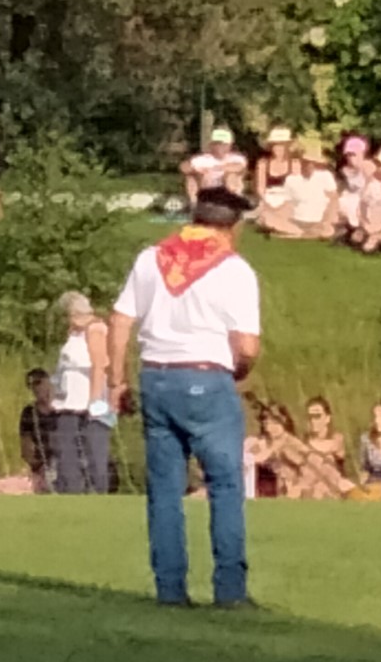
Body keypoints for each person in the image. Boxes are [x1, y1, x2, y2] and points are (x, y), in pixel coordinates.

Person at [107, 185, 262, 609]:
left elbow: (120, 320)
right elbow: (246, 346)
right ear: (233, 226)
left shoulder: (150, 258)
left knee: (164, 491)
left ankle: (170, 589)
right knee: (225, 485)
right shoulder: (234, 270)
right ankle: (230, 590)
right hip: (208, 379)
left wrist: (116, 381)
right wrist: (239, 372)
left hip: (156, 376)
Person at [50, 292, 113, 495]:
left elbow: (99, 365)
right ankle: (70, 490)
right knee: (66, 450)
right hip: (68, 401)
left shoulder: (95, 330)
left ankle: (97, 491)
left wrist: (94, 401)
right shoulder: (74, 334)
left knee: (94, 449)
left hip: (89, 400)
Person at [248, 405, 353, 500]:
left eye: (276, 423)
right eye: (267, 423)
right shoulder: (262, 442)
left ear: (284, 422)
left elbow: (313, 462)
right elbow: (251, 455)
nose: (272, 428)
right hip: (270, 488)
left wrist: (337, 480)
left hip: (294, 487)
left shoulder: (290, 442)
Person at [256, 142, 341, 240]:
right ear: (302, 161)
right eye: (306, 162)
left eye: (312, 163)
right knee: (266, 217)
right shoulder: (292, 179)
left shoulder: (325, 176)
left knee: (329, 228)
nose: (309, 165)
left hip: (319, 220)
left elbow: (334, 199)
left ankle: (302, 233)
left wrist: (327, 219)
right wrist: (272, 211)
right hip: (296, 219)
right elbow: (287, 203)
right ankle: (302, 233)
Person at [182, 128, 249, 202]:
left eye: (224, 144)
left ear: (230, 145)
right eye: (217, 144)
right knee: (191, 178)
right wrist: (197, 170)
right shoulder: (202, 159)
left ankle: (233, 202)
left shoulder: (236, 158)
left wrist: (217, 168)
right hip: (206, 187)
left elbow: (239, 167)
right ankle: (195, 203)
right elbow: (185, 167)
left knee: (231, 176)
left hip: (227, 189)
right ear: (211, 145)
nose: (220, 147)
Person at [18, 370, 55, 492]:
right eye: (31, 385)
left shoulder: (63, 409)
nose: (36, 388)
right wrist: (37, 465)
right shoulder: (29, 413)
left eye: (39, 382)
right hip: (43, 465)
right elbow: (26, 445)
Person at [301, 396, 348, 479]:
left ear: (327, 418)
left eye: (317, 416)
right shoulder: (304, 442)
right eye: (310, 417)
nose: (313, 421)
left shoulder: (336, 440)